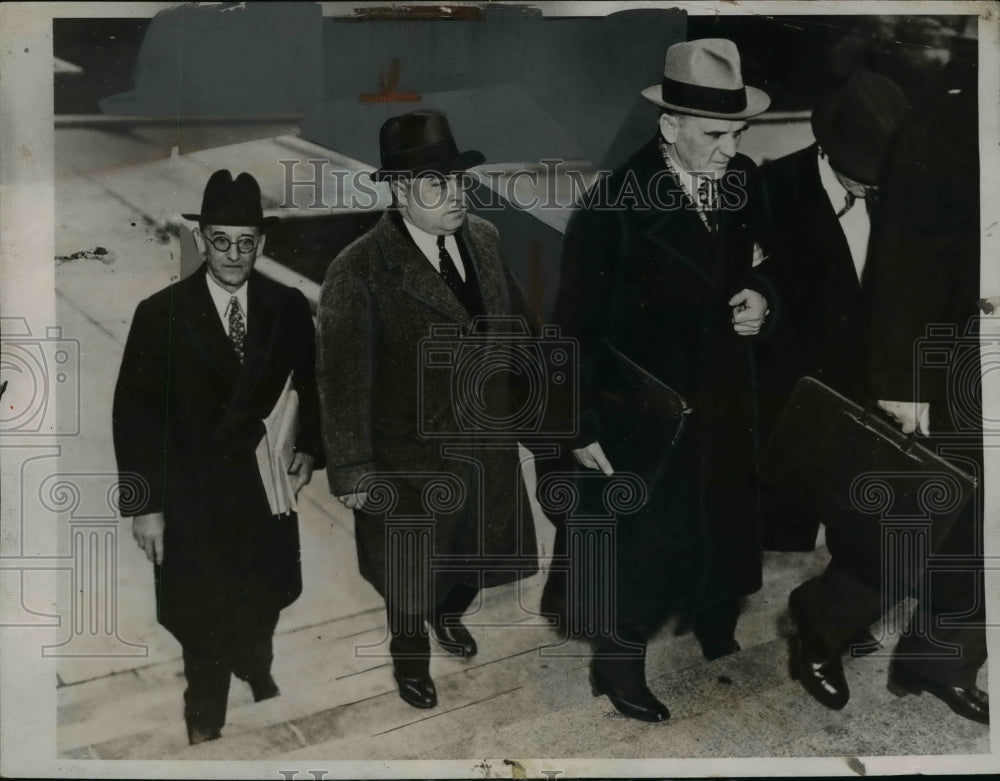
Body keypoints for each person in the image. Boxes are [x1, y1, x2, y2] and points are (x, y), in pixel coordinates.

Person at [545, 38, 776, 722]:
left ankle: (712, 618)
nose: (730, 147)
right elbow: (568, 332)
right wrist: (578, 425)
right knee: (635, 549)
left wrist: (761, 295)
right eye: (714, 133)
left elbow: (765, 258)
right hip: (644, 415)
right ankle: (618, 668)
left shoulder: (742, 180)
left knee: (719, 526)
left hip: (723, 399)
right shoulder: (612, 207)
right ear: (668, 126)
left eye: (737, 131)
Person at [787, 41, 988, 725]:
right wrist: (903, 381)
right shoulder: (957, 99)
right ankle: (822, 618)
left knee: (982, 528)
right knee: (919, 513)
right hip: (953, 350)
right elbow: (906, 249)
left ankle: (945, 655)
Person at [316, 109, 539, 711]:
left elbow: (520, 331)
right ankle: (410, 660)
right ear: (396, 190)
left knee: (473, 558)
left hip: (485, 448)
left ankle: (450, 615)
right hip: (408, 462)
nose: (454, 196)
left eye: (459, 181)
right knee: (409, 577)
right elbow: (341, 382)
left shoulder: (486, 240)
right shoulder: (357, 270)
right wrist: (355, 470)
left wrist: (545, 419)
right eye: (435, 185)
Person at [113, 170, 325, 744]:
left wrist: (311, 448)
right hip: (190, 502)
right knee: (199, 618)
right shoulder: (159, 315)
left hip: (263, 493)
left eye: (247, 240)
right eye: (222, 240)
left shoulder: (287, 306)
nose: (234, 253)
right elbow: (134, 417)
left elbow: (311, 382)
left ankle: (254, 665)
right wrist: (145, 505)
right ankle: (204, 720)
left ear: (263, 242)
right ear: (201, 240)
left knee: (264, 601)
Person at [757, 71, 908, 552]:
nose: (873, 187)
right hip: (799, 401)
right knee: (780, 544)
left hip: (873, 402)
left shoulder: (905, 191)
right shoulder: (772, 188)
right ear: (827, 148)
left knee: (864, 539)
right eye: (862, 173)